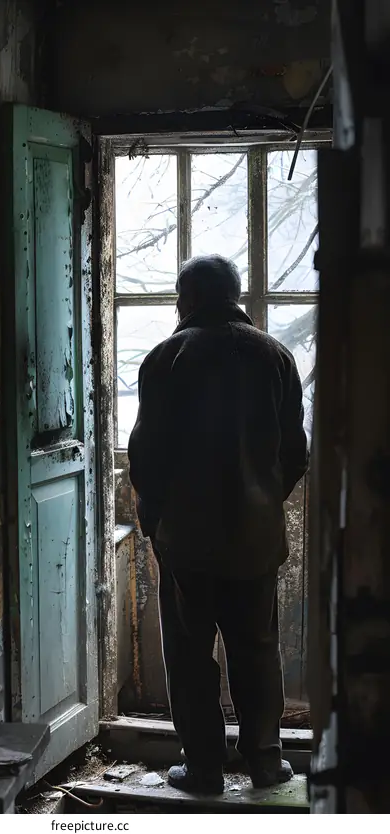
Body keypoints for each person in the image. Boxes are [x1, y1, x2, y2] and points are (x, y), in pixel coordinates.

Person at [127, 254, 309, 795]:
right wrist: (262, 505)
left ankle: (204, 766)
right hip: (254, 541)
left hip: (185, 541)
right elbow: (295, 454)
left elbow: (145, 460)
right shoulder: (276, 357)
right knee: (256, 649)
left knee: (188, 656)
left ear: (187, 298)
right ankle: (267, 761)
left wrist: (158, 520)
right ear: (237, 295)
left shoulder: (166, 359)